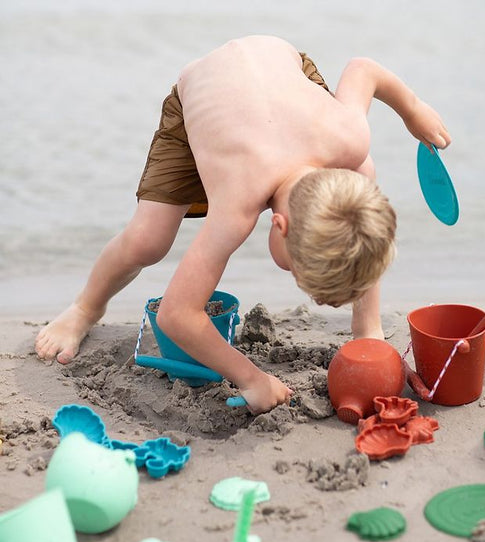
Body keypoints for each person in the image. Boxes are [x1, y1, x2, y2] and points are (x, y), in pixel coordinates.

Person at [35, 35, 451, 414]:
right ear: (279, 225)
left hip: (282, 78)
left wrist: (413, 111)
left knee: (361, 175)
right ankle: (84, 308)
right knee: (148, 240)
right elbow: (177, 315)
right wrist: (252, 377)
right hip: (200, 97)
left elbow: (363, 69)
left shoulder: (348, 135)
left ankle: (367, 328)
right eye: (297, 272)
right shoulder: (237, 205)